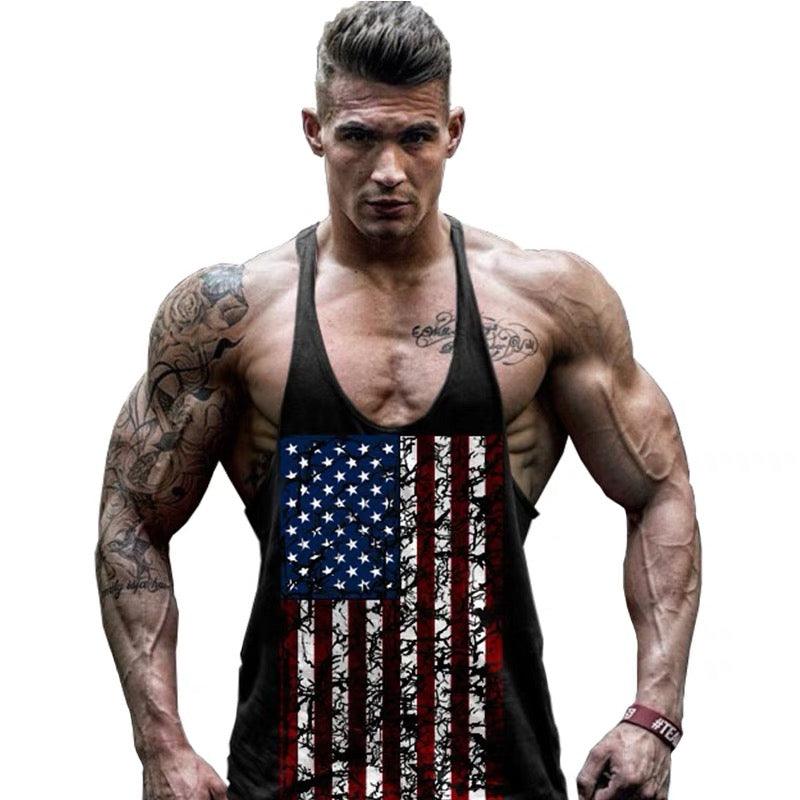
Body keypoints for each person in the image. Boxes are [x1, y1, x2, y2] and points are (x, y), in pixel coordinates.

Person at [95, 3, 701, 799]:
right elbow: (133, 522)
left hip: (496, 769)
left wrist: (654, 715)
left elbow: (658, 488)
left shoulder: (547, 301)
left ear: (453, 132)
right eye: (359, 137)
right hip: (291, 771)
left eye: (415, 137)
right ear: (315, 131)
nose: (388, 170)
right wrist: (161, 745)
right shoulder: (231, 315)